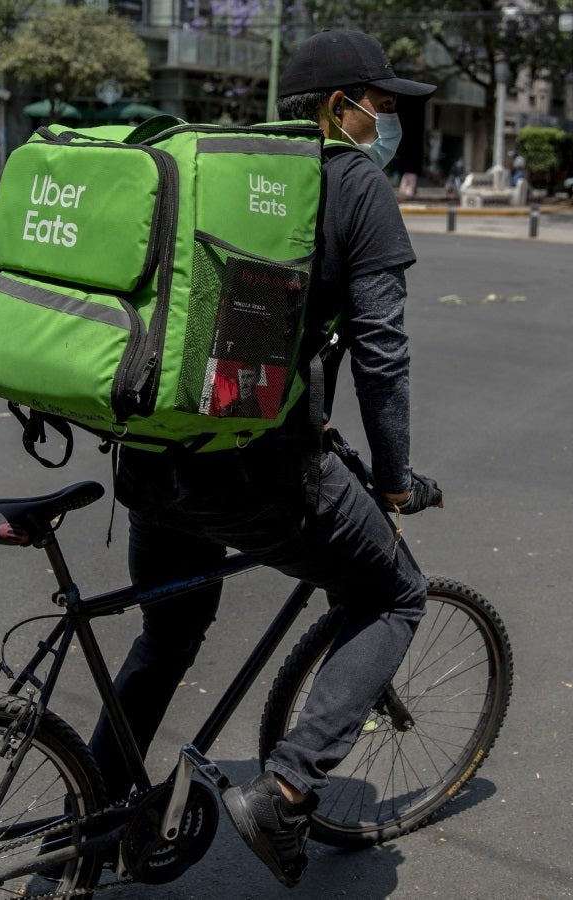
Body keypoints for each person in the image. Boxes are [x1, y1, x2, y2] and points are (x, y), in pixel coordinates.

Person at [88, 29, 442, 886]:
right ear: (338, 108)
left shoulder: (225, 165)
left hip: (154, 458)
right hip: (258, 470)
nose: (387, 123)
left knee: (168, 632)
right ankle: (284, 790)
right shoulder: (353, 182)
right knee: (395, 594)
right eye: (382, 105)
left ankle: (96, 816)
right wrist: (393, 480)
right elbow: (381, 353)